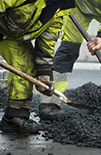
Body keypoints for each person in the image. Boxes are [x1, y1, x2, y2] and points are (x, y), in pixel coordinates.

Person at [0, 0, 76, 134]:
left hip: (10, 37)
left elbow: (47, 40)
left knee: (25, 63)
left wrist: (44, 75)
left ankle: (14, 117)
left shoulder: (62, 5)